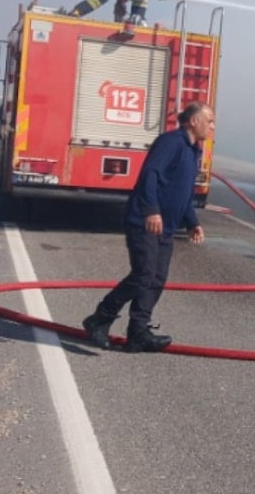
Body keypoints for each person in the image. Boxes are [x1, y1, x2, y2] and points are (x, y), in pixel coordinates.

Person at [82, 101, 215, 352]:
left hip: (167, 228)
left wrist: (192, 223)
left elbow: (184, 192)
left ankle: (138, 332)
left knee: (156, 279)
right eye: (209, 121)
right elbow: (150, 175)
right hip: (145, 222)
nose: (212, 126)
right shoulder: (171, 142)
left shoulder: (194, 150)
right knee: (143, 275)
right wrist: (151, 210)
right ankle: (100, 318)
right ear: (194, 121)